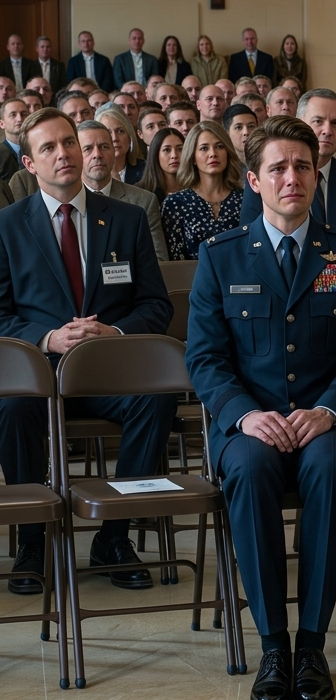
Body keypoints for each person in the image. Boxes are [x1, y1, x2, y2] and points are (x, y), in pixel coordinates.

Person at [185, 115, 336, 700]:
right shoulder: (221, 257)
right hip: (251, 425)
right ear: (253, 179)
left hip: (329, 423)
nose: (291, 177)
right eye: (277, 167)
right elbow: (204, 357)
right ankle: (274, 645)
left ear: (316, 174)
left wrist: (329, 411)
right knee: (247, 470)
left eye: (302, 166)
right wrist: (243, 415)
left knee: (328, 469)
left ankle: (313, 646)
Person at [0, 108, 175, 593]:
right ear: (30, 164)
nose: (65, 154)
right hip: (39, 374)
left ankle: (114, 536)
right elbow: (0, 314)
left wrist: (113, 333)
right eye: (49, 148)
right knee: (11, 407)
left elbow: (156, 306)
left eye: (69, 143)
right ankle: (33, 538)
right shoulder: (8, 226)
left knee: (156, 399)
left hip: (107, 376)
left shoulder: (127, 218)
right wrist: (48, 337)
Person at [242, 89, 336, 272]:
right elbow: (251, 244)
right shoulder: (267, 179)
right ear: (300, 122)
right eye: (318, 121)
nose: (327, 131)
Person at [77, 120, 168, 260]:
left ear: (114, 152)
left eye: (104, 147)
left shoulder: (143, 201)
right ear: (76, 155)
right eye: (88, 149)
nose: (97, 154)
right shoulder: (66, 204)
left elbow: (158, 260)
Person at [161, 121, 243, 260]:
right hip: (190, 279)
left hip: (240, 280)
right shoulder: (175, 203)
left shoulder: (244, 199)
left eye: (219, 146)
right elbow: (174, 261)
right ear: (193, 157)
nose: (213, 154)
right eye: (204, 148)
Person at [96, 104, 146, 185]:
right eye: (108, 132)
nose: (115, 138)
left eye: (120, 131)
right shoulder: (89, 174)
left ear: (129, 136)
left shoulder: (146, 171)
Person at [138, 125, 184, 203]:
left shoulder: (197, 188)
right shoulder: (140, 192)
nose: (174, 155)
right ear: (155, 154)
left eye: (180, 149)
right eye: (167, 150)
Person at [0, 98, 28, 182]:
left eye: (23, 114)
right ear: (2, 124)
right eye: (13, 115)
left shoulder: (38, 148)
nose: (19, 119)